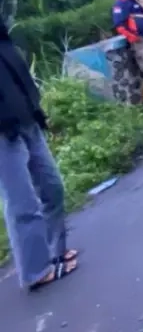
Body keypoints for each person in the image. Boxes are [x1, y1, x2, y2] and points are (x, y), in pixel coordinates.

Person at [0, 19, 78, 291]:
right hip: (4, 133)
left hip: (27, 122)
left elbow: (17, 77)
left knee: (52, 187)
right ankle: (35, 271)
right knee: (23, 203)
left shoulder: (2, 38)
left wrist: (36, 110)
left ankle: (55, 250)